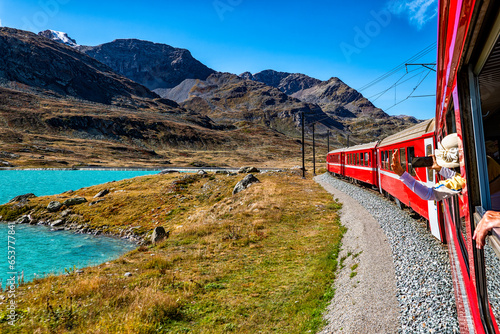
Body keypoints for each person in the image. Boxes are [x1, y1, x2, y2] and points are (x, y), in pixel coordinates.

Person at [391, 133, 466, 202]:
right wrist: (440, 169)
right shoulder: (466, 177)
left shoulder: (461, 181)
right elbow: (458, 177)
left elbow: (428, 194)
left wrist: (402, 174)